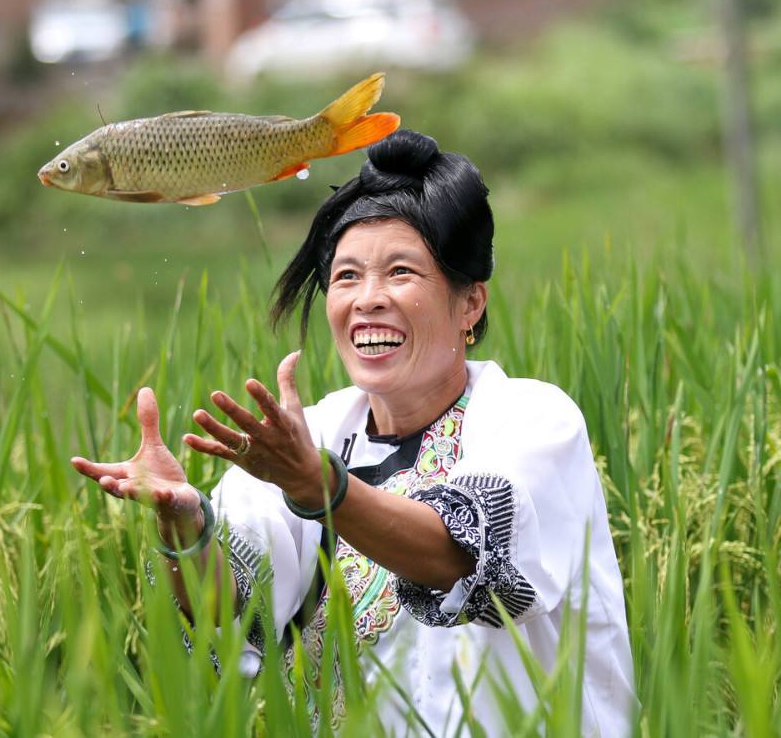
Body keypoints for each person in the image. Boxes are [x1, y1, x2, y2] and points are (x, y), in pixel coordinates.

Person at [71, 130, 635, 736]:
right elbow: (233, 608)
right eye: (346, 277)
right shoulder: (308, 436)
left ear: (469, 304)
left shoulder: (530, 419)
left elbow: (459, 557)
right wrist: (185, 526)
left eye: (400, 272)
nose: (368, 300)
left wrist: (322, 490)